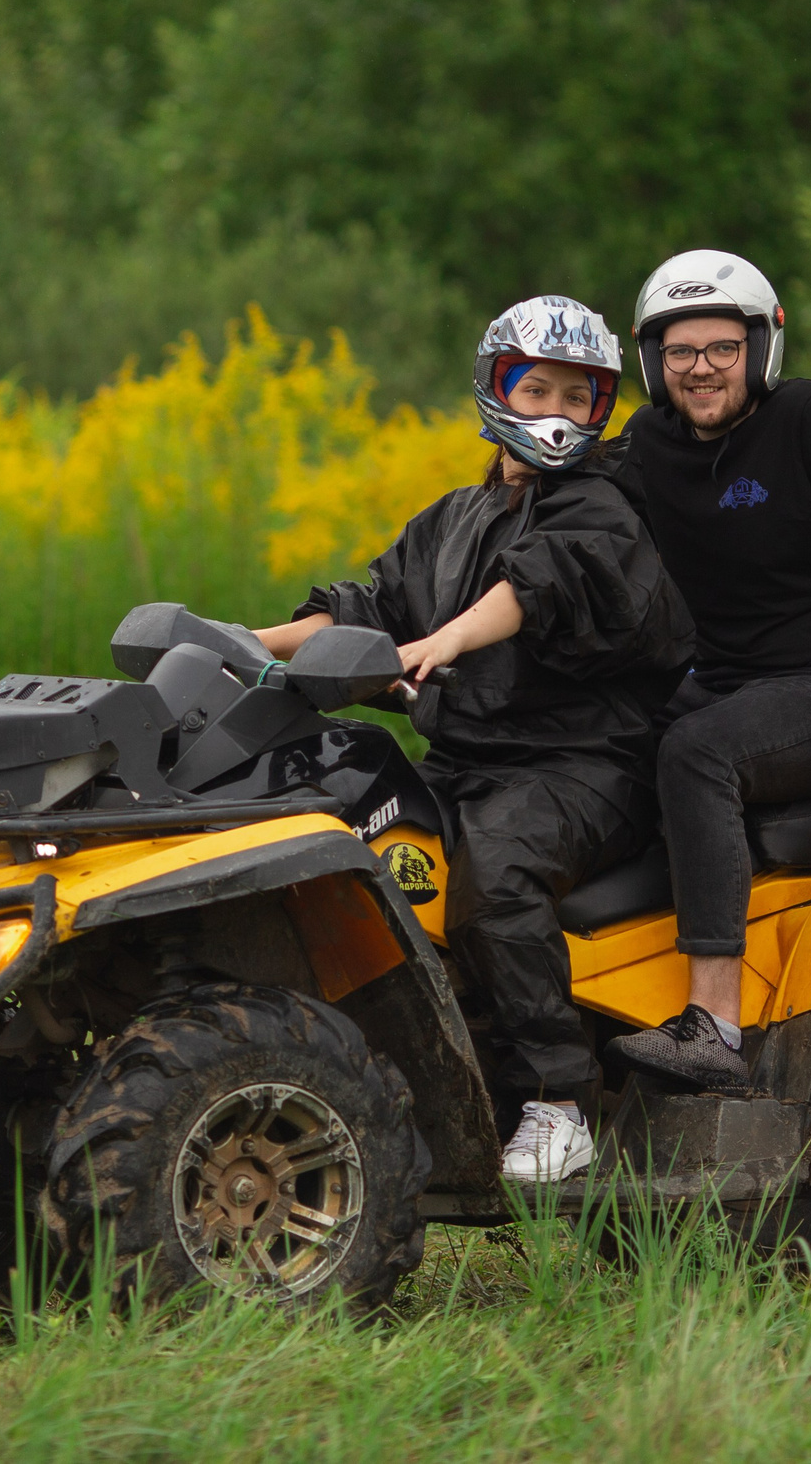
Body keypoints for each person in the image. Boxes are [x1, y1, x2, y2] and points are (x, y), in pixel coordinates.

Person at [255, 296, 692, 1183]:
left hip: (589, 765)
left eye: (579, 396)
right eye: (538, 390)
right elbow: (366, 605)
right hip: (470, 759)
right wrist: (241, 645)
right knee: (347, 828)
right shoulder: (454, 516)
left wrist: (444, 640)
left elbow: (540, 584)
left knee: (495, 873)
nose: (559, 413)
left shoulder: (604, 508)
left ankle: (559, 1102)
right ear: (498, 390)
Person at [606, 249, 811, 1090]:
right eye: (680, 352)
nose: (702, 368)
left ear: (760, 349)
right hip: (725, 676)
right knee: (602, 733)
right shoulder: (649, 444)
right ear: (654, 361)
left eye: (723, 347)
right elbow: (575, 520)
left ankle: (714, 1024)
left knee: (697, 751)